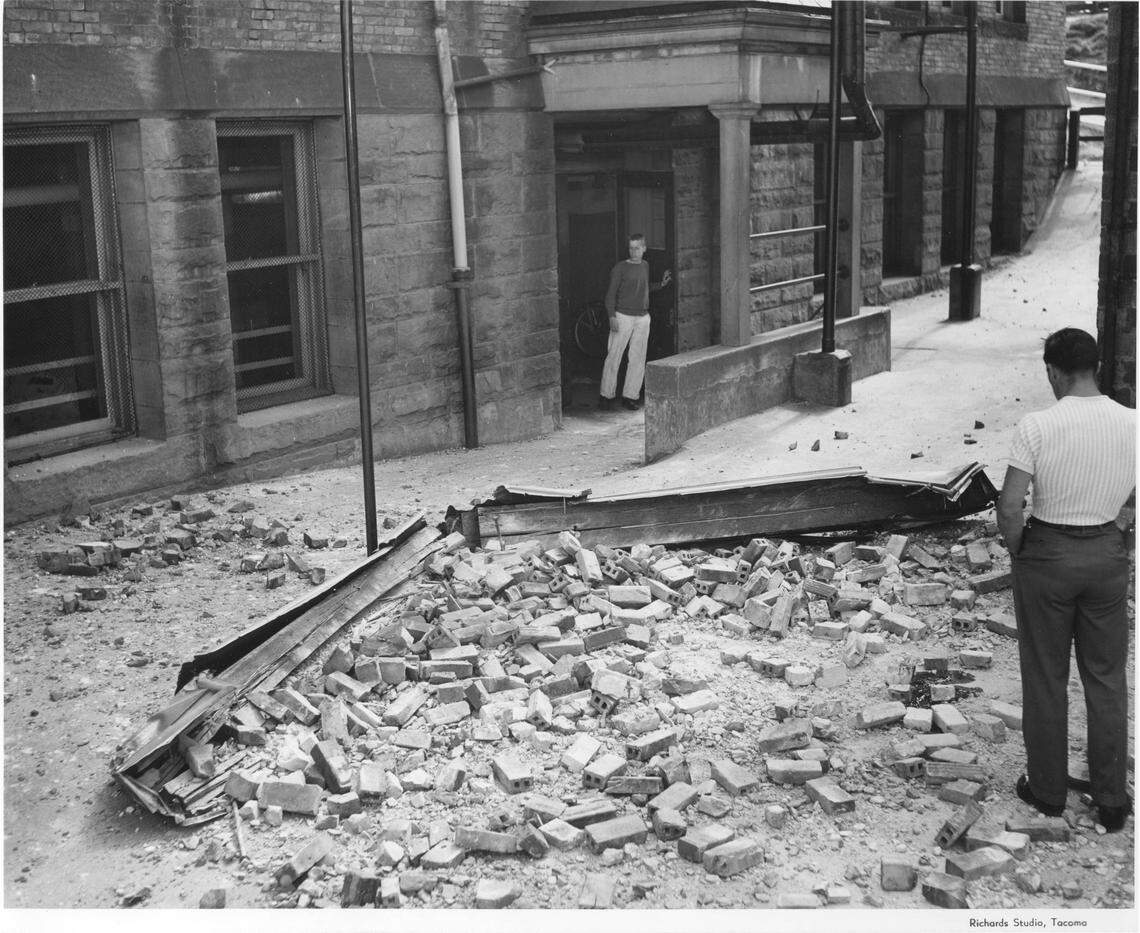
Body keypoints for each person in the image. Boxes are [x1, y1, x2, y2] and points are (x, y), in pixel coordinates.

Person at [996, 327, 1135, 832]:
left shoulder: (1036, 426)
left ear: (1054, 371)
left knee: (1046, 675)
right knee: (1106, 677)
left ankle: (1048, 792)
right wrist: (1120, 527)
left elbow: (1011, 505)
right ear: (1094, 367)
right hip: (1105, 555)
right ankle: (1111, 799)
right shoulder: (1133, 423)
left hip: (1048, 555)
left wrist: (1019, 550)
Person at [598, 233, 671, 411]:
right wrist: (611, 316)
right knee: (614, 355)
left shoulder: (645, 266)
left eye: (637, 247)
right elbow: (610, 295)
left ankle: (630, 396)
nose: (634, 251)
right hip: (622, 316)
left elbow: (644, 288)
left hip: (642, 317)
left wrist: (661, 285)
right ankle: (606, 395)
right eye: (631, 247)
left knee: (637, 358)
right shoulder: (620, 268)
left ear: (644, 248)